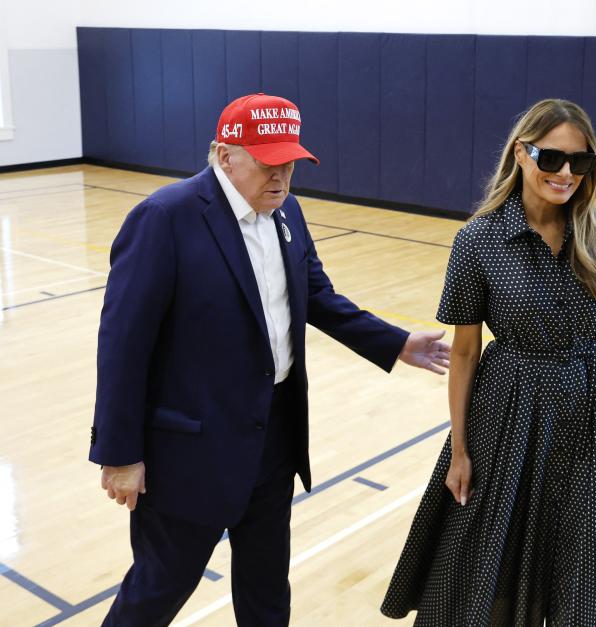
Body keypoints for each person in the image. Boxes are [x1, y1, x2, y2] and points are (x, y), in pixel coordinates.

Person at [89, 92, 450, 627]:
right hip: (190, 452)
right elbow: (122, 345)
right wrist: (120, 454)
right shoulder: (165, 218)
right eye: (267, 161)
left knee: (265, 592)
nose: (280, 175)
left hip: (272, 439)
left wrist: (395, 342)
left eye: (289, 163)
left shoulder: (288, 213)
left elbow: (317, 296)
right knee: (158, 591)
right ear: (224, 153)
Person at [381, 99, 596, 625]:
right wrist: (459, 450)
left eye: (581, 161)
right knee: (486, 560)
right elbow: (464, 353)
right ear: (522, 155)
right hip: (506, 413)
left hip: (587, 413)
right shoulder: (478, 240)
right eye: (551, 159)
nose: (566, 173)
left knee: (585, 563)